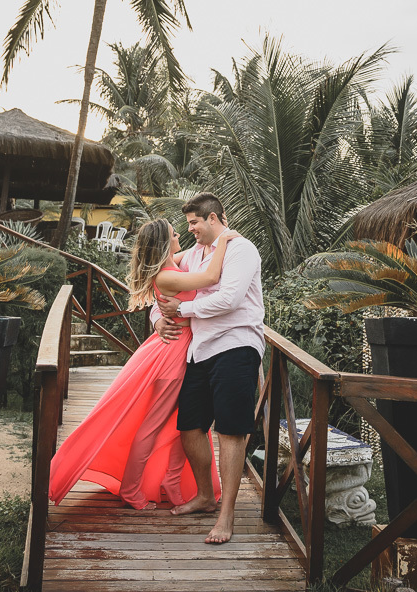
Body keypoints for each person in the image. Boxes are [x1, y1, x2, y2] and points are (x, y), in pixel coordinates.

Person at [47, 218, 239, 509]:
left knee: (182, 425)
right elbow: (211, 277)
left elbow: (191, 259)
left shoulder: (171, 265)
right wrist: (224, 239)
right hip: (172, 356)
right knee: (152, 426)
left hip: (177, 350)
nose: (180, 236)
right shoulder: (167, 276)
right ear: (165, 243)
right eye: (175, 233)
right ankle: (132, 490)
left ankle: (172, 483)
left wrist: (158, 317)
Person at [154, 192, 265, 545]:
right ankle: (205, 496)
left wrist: (181, 312)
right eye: (187, 224)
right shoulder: (195, 254)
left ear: (214, 218)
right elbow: (163, 281)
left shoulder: (241, 249)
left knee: (231, 431)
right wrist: (158, 318)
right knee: (190, 425)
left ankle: (226, 514)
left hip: (236, 345)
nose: (191, 230)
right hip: (199, 350)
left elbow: (229, 299)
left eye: (194, 223)